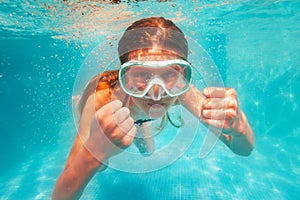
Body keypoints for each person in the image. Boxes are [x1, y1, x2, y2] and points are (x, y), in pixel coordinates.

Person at [52, 17, 254, 199]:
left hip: (137, 110)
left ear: (183, 74)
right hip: (107, 100)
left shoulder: (180, 89)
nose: (156, 92)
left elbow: (244, 150)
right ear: (125, 76)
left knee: (148, 151)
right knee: (102, 166)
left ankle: (138, 121)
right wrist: (93, 152)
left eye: (169, 73)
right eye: (142, 74)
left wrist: (239, 128)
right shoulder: (102, 99)